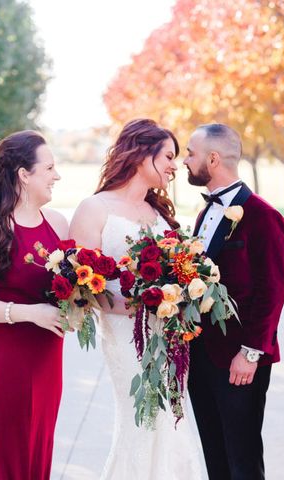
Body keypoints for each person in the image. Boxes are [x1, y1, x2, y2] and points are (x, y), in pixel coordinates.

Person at [69, 119, 203, 479]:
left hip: (168, 334)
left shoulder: (159, 215)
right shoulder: (94, 209)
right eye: (169, 156)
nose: (175, 165)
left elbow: (180, 270)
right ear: (142, 155)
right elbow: (82, 288)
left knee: (172, 422)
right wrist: (131, 305)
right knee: (141, 420)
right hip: (125, 336)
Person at [183, 124, 284, 480]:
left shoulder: (264, 217)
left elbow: (272, 291)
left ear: (213, 159)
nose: (185, 160)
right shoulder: (204, 215)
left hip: (240, 361)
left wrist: (250, 352)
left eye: (190, 153)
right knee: (215, 454)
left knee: (242, 459)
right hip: (202, 356)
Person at [0, 130, 68, 480]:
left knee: (39, 453)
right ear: (25, 174)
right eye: (49, 167)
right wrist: (30, 314)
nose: (57, 175)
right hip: (6, 361)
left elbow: (71, 286)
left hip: (48, 360)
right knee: (7, 460)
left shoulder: (57, 223)